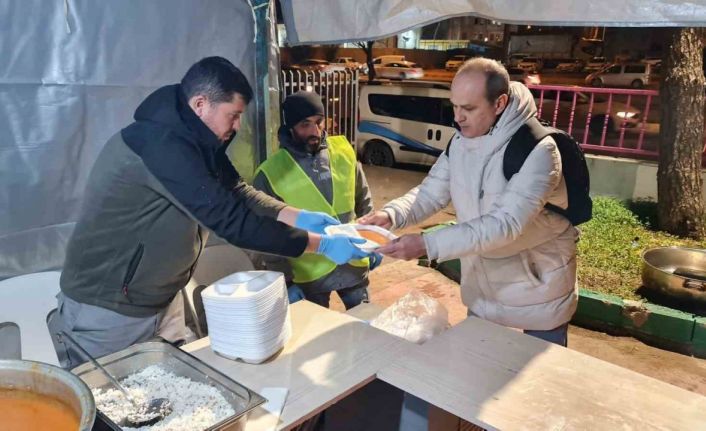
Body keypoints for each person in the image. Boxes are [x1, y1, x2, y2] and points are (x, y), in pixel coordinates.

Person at [51, 57, 368, 368]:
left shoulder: (196, 140)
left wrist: (295, 215)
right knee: (112, 396)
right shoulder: (160, 146)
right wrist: (320, 245)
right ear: (201, 104)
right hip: (110, 310)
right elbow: (233, 223)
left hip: (161, 298)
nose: (237, 125)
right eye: (233, 115)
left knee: (171, 389)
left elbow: (238, 190)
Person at [360, 57, 578, 345]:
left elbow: (505, 225)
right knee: (476, 361)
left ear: (499, 104)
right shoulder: (461, 141)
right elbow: (431, 192)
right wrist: (391, 215)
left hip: (538, 288)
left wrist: (428, 244)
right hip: (483, 286)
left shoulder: (538, 150)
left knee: (540, 372)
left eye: (469, 108)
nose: (458, 117)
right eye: (455, 106)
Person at [252, 91, 381, 310]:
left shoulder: (343, 152)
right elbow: (267, 233)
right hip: (309, 277)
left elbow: (363, 201)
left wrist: (373, 240)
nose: (315, 131)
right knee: (317, 329)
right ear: (290, 127)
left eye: (319, 122)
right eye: (305, 124)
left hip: (352, 264)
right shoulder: (271, 173)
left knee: (364, 323)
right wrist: (284, 279)